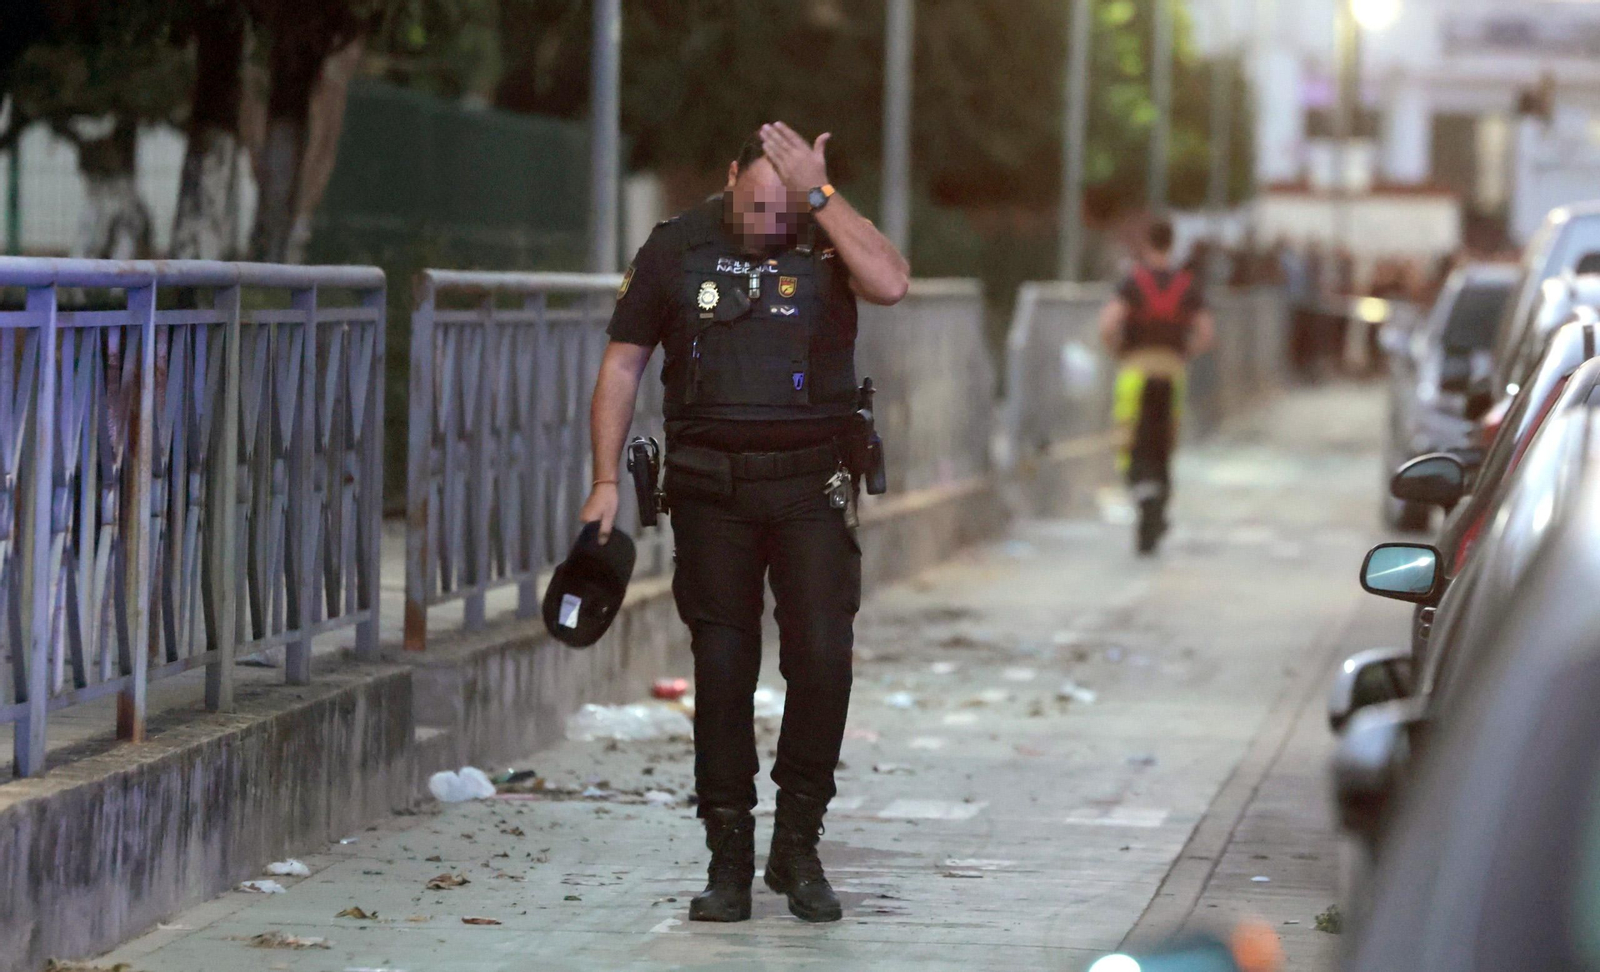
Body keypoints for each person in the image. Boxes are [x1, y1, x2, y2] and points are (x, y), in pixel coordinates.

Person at [578, 122, 910, 924]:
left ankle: (797, 844)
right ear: (730, 178)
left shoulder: (827, 233)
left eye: (784, 204)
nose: (769, 220)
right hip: (711, 490)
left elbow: (892, 282)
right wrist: (601, 484)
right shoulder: (676, 246)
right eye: (757, 201)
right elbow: (623, 362)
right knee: (722, 670)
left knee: (823, 657)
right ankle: (727, 851)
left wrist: (822, 195)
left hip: (811, 487)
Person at [1098, 218, 1215, 554]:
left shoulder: (1133, 282)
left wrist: (1118, 351)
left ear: (1147, 242)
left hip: (1135, 369)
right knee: (1163, 441)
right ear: (1172, 243)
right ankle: (1159, 501)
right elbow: (1206, 333)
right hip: (1172, 370)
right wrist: (1185, 352)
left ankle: (1140, 493)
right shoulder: (1186, 286)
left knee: (1130, 439)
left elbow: (1108, 324)